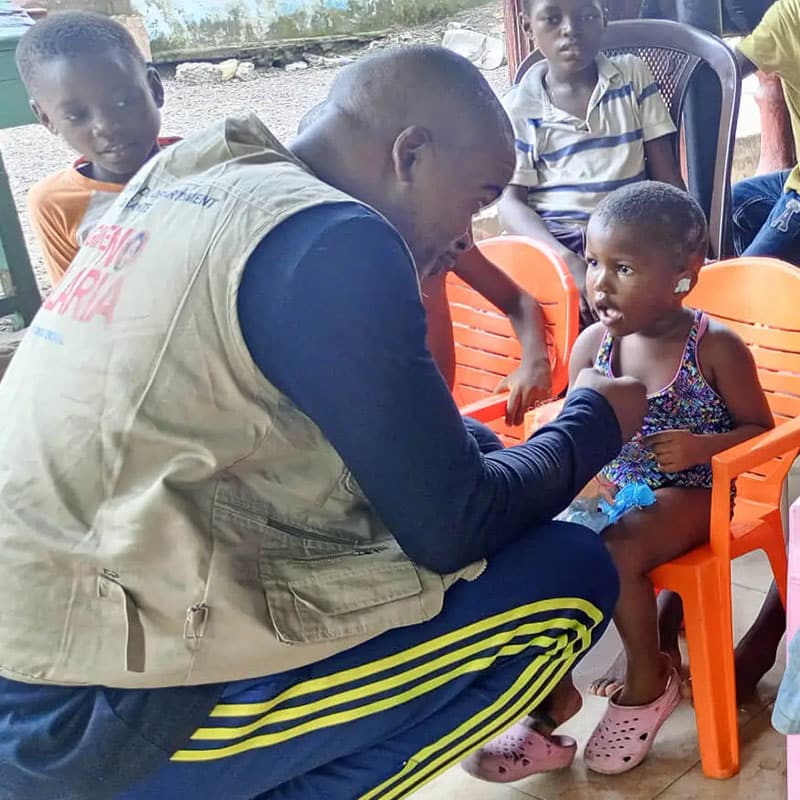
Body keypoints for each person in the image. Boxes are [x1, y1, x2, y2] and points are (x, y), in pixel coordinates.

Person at [0, 46, 649, 799]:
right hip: (88, 720)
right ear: (409, 153)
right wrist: (591, 422)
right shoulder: (334, 238)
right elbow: (454, 526)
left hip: (39, 636)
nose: (465, 234)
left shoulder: (194, 175)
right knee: (567, 577)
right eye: (475, 198)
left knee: (475, 460)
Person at [465, 182, 773, 780]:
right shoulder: (593, 347)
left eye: (624, 267)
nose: (600, 283)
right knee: (540, 542)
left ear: (685, 273)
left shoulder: (715, 349)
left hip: (697, 491)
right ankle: (550, 700)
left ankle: (646, 681)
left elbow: (761, 429)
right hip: (616, 485)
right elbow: (581, 431)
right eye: (594, 261)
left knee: (617, 549)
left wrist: (707, 446)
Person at [298, 103, 552, 422]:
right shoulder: (335, 268)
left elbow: (517, 300)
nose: (463, 233)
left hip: (439, 415)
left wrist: (534, 361)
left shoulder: (445, 245)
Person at [498, 0, 684, 325]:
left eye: (586, 15)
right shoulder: (520, 106)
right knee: (551, 317)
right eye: (553, 19)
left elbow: (666, 178)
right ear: (529, 28)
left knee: (656, 315)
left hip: (630, 233)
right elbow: (511, 205)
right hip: (559, 240)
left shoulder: (631, 77)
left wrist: (688, 237)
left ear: (603, 20)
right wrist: (567, 261)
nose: (571, 29)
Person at [17, 12, 178, 288]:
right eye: (77, 115)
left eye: (124, 101)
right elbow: (74, 310)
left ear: (155, 89)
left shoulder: (210, 160)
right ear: (46, 119)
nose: (107, 127)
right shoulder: (57, 204)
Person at [731, 0, 800, 265]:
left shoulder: (789, 15)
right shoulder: (789, 15)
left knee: (743, 279)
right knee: (735, 202)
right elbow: (724, 71)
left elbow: (723, 72)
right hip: (794, 177)